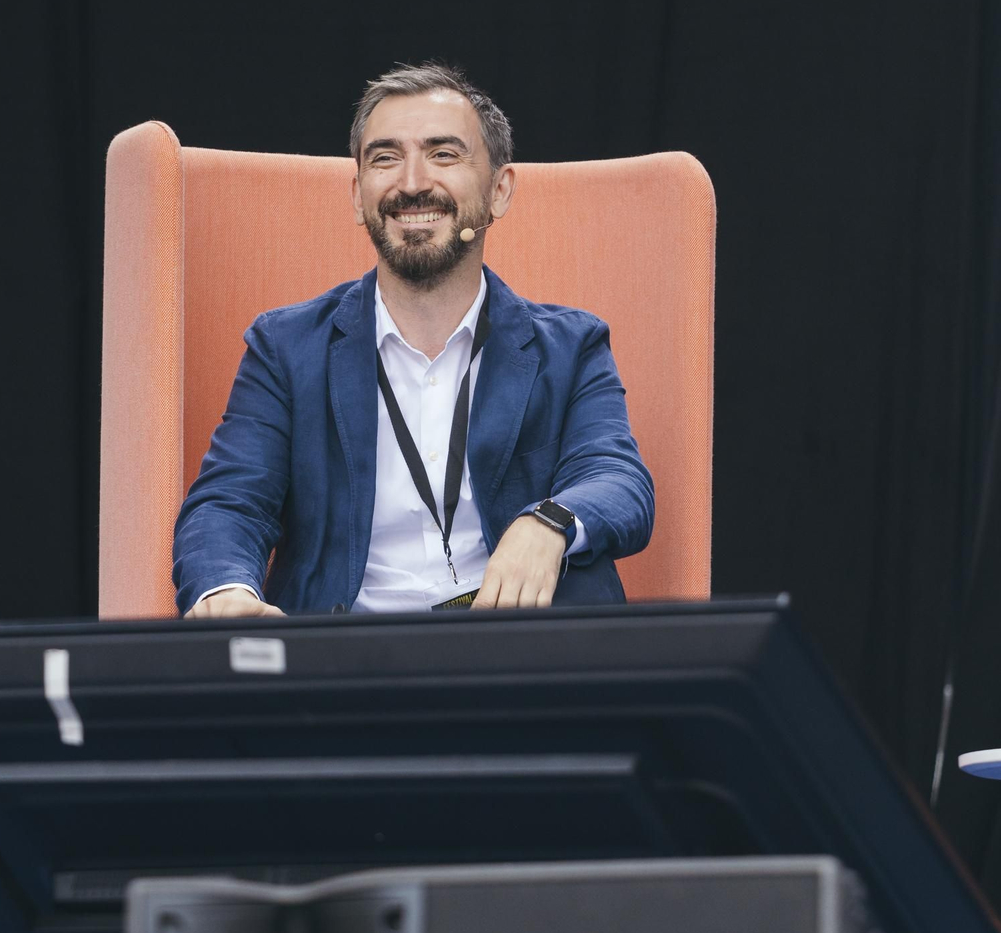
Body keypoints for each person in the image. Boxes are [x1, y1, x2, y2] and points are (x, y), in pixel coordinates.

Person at [173, 61, 654, 617]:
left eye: (444, 154)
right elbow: (229, 504)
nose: (412, 182)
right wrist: (228, 590)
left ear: (500, 191)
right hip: (341, 668)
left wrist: (548, 521)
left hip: (520, 657)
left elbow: (618, 480)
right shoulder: (284, 348)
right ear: (358, 196)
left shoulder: (572, 348)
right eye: (385, 158)